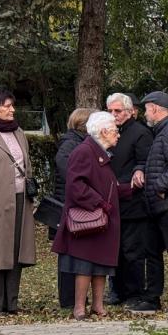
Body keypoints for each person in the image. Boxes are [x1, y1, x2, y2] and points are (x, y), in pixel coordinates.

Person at [52, 112, 133, 319]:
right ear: (104, 132)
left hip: (102, 219)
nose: (118, 135)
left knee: (101, 263)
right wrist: (100, 203)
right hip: (89, 219)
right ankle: (79, 307)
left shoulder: (101, 152)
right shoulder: (84, 151)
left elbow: (108, 185)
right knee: (84, 264)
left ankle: (98, 305)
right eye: (115, 131)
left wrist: (132, 188)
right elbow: (76, 186)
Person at [127, 91, 168, 316]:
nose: (145, 114)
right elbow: (158, 162)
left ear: (155, 108)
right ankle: (152, 299)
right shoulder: (162, 131)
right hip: (158, 205)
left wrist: (159, 186)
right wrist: (142, 171)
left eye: (146, 109)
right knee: (152, 251)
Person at [0, 88, 37, 314]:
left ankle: (10, 303)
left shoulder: (18, 132)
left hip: (20, 199)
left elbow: (26, 164)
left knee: (15, 251)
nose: (13, 110)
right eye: (7, 106)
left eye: (13, 105)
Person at [106, 93, 155, 308]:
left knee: (132, 250)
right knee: (115, 249)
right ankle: (117, 291)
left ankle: (134, 292)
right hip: (113, 200)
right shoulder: (109, 131)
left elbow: (145, 160)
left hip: (133, 201)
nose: (113, 114)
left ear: (129, 111)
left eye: (117, 111)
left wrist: (138, 170)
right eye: (110, 110)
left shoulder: (140, 132)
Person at [52, 107, 95, 309]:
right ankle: (69, 299)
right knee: (69, 253)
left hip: (70, 202)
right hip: (68, 204)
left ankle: (74, 298)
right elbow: (65, 167)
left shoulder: (76, 141)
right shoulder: (71, 143)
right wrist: (82, 185)